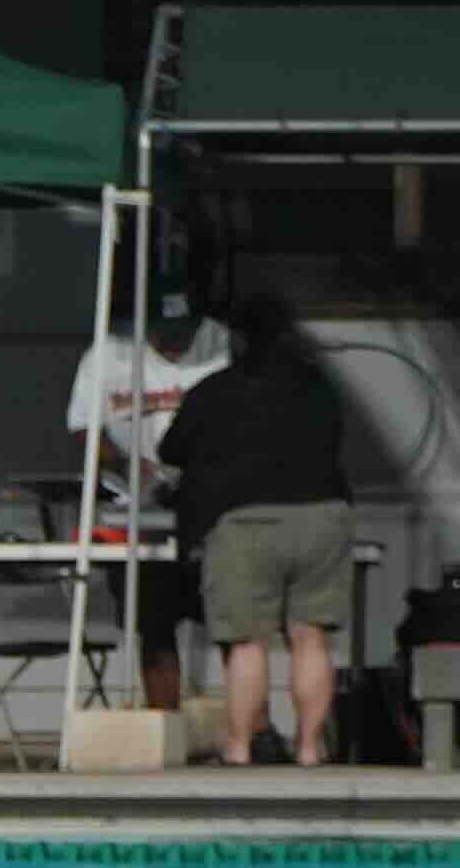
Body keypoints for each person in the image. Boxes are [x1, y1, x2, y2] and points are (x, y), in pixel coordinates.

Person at [163, 299, 355, 767]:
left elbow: (172, 449)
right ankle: (309, 749)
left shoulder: (215, 390)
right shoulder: (319, 388)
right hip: (322, 515)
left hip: (245, 522)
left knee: (248, 642)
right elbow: (335, 439)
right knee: (311, 639)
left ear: (238, 340)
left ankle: (239, 748)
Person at [63, 270, 233, 716]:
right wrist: (125, 464)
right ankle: (166, 723)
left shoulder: (224, 345)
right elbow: (86, 428)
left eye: (185, 335)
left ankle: (247, 731)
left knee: (234, 624)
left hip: (212, 505)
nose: (175, 348)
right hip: (133, 509)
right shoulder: (108, 355)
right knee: (153, 624)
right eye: (165, 336)